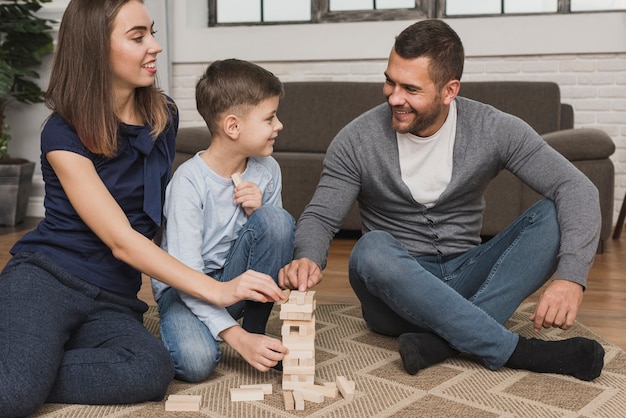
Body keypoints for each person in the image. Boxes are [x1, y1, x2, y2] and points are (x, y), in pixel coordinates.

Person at [279, 19, 605, 382]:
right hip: (394, 296)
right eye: (390, 80)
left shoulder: (493, 128)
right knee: (370, 250)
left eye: (410, 88)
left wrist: (570, 278)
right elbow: (322, 218)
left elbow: (577, 188)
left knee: (552, 215)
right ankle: (515, 350)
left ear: (449, 90)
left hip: (468, 274)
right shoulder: (356, 140)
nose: (394, 97)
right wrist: (306, 257)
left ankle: (441, 343)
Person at [0, 2, 285, 416]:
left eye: (152, 32)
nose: (155, 46)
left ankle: (26, 361)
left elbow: (160, 209)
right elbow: (121, 239)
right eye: (138, 37)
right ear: (96, 48)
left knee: (150, 370)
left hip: (112, 296)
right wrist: (218, 290)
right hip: (48, 277)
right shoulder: (62, 133)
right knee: (14, 394)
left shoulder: (162, 115)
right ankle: (22, 366)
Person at [151, 59, 293, 383]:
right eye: (270, 118)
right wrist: (235, 339)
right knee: (197, 363)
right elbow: (186, 275)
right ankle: (219, 333)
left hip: (235, 280)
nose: (279, 125)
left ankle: (255, 331)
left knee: (277, 219)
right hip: (186, 287)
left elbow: (278, 237)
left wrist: (260, 211)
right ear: (233, 127)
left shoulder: (268, 170)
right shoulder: (188, 183)